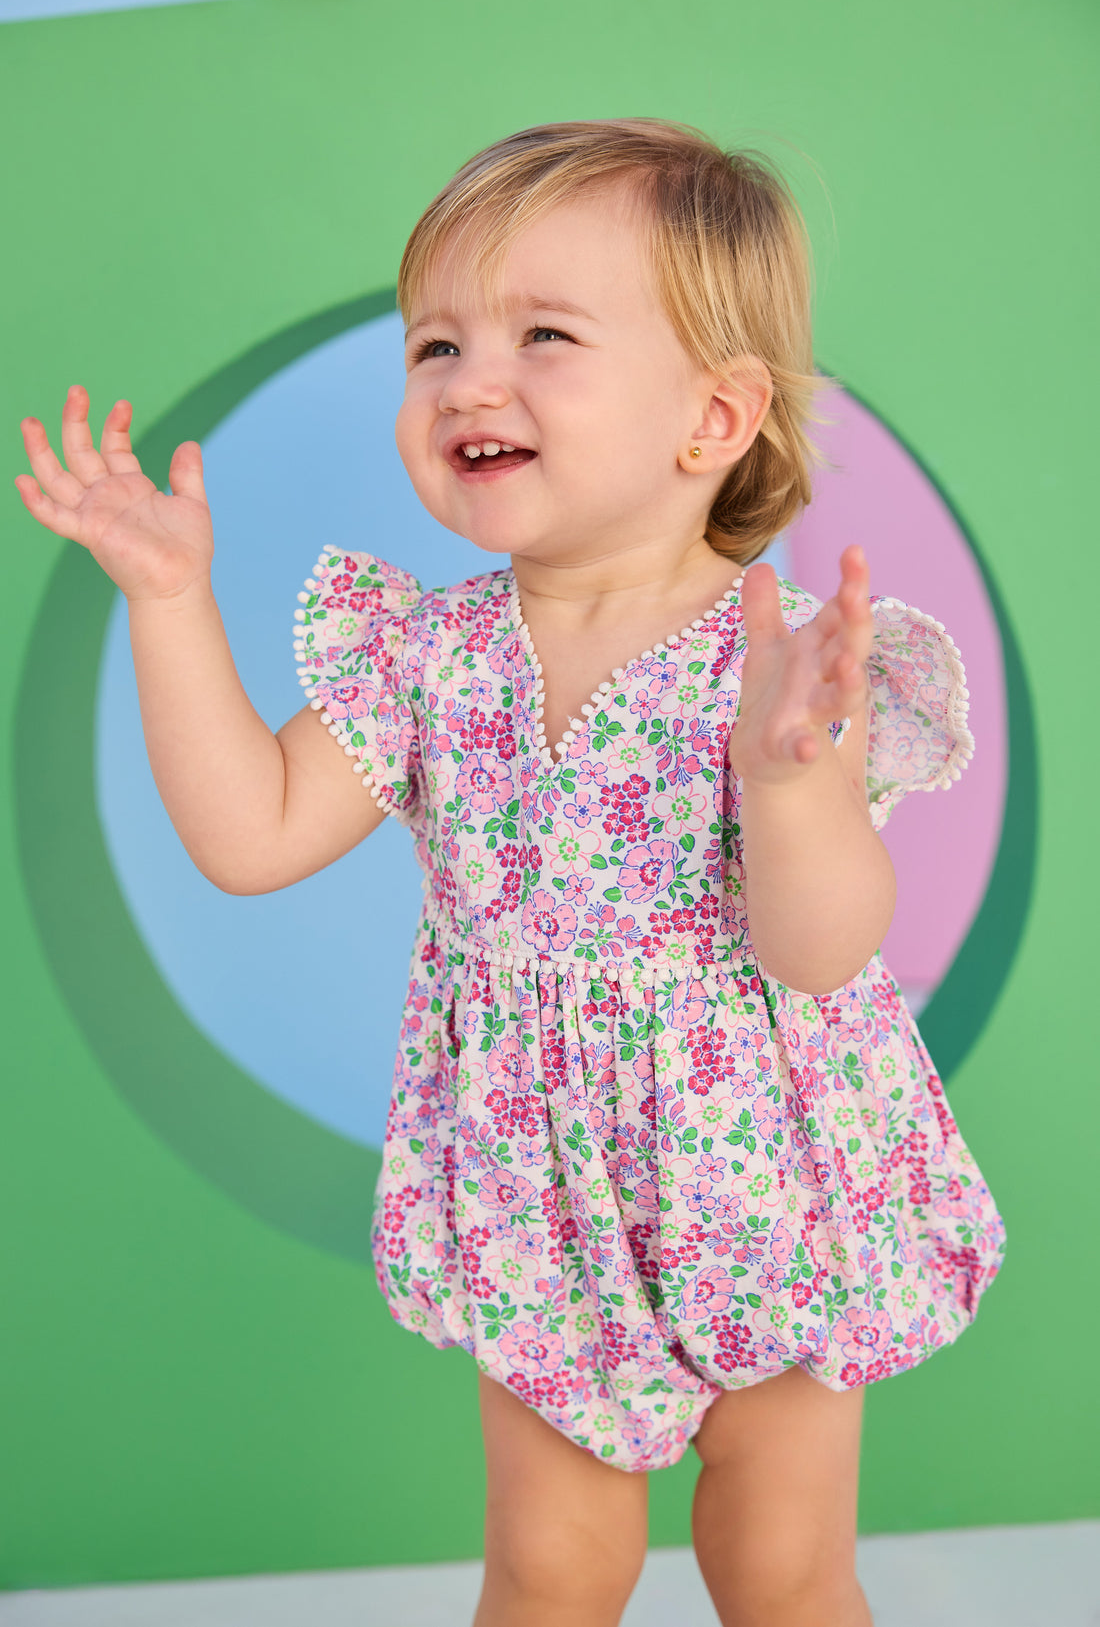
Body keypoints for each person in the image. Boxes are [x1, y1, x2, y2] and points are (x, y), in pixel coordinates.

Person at [16, 119, 1004, 1627]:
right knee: (550, 1569)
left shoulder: (776, 666)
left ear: (712, 416)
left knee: (780, 1566)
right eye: (435, 345)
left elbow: (823, 949)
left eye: (544, 335)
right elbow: (249, 834)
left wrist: (788, 785)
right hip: (540, 1189)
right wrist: (168, 601)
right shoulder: (428, 655)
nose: (471, 379)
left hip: (769, 1179)